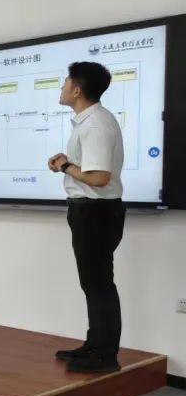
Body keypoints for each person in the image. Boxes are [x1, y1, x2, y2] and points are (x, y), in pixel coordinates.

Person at [47, 61, 125, 374]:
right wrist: (67, 163)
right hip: (91, 211)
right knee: (93, 283)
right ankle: (95, 345)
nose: (62, 88)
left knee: (98, 284)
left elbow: (99, 178)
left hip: (95, 212)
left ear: (77, 90)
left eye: (65, 83)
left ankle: (104, 356)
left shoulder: (95, 125)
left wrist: (66, 166)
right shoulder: (89, 121)